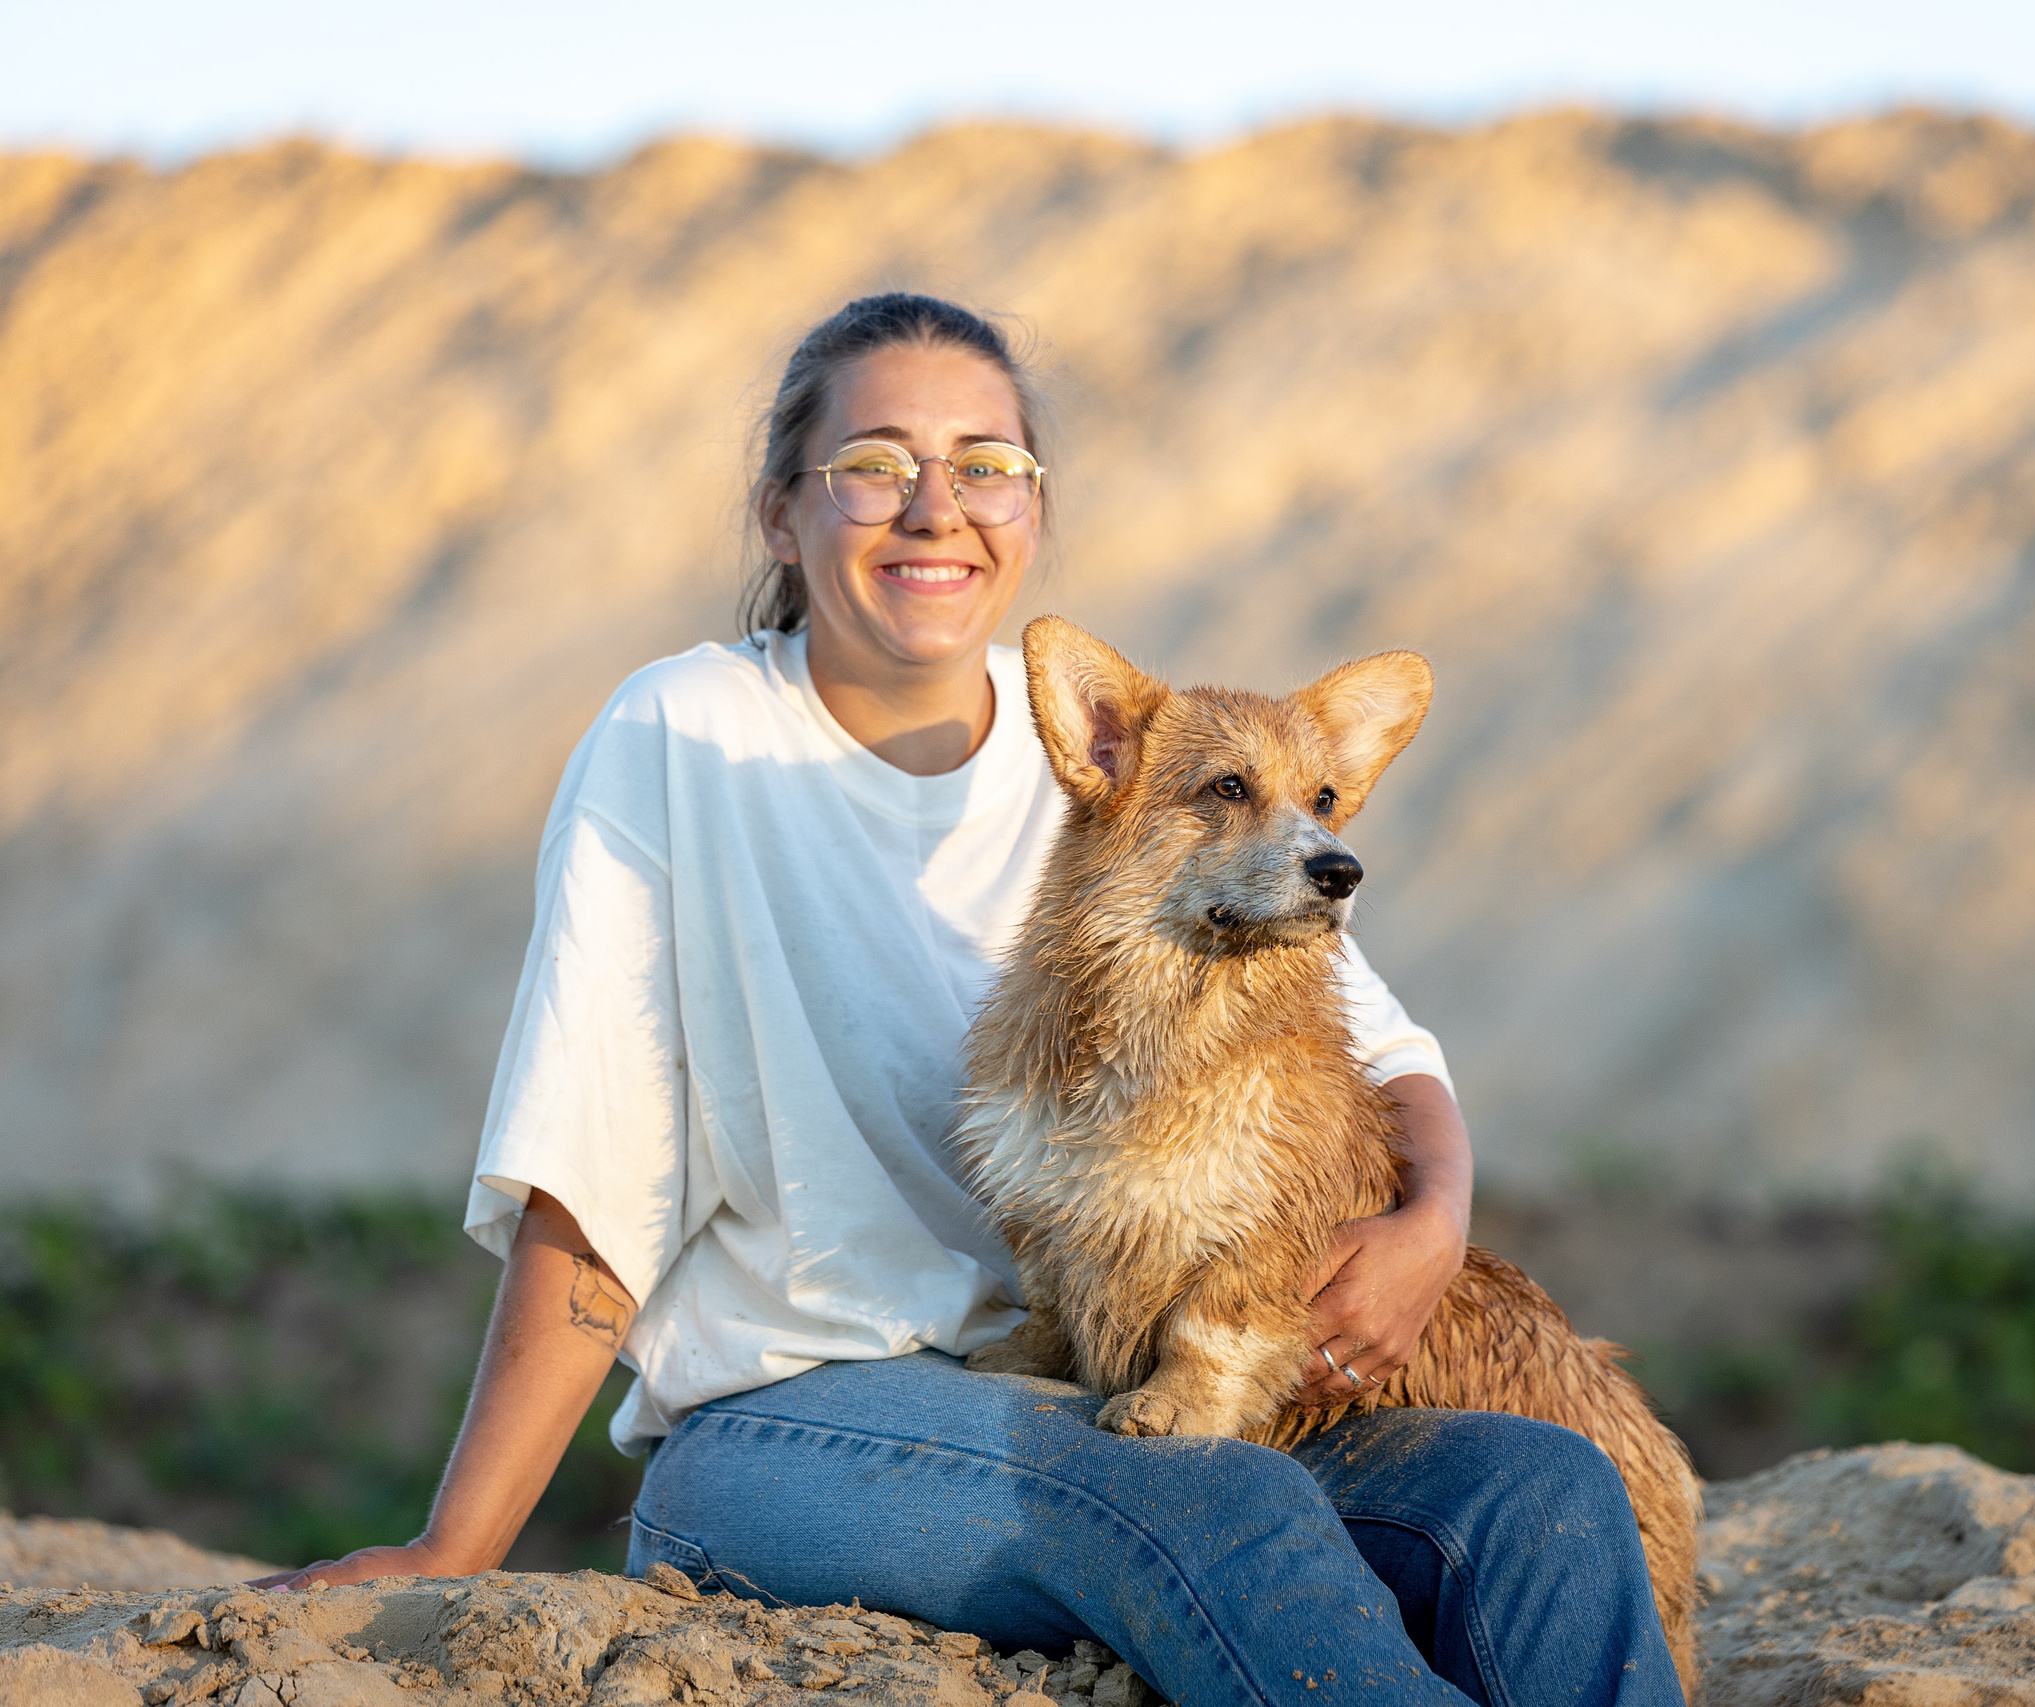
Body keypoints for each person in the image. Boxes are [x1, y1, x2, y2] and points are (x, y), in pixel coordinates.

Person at [255, 293, 1684, 1706]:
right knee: (1206, 1498)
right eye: (874, 464)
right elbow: (593, 1176)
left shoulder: (1135, 755)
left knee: (1540, 1488)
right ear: (780, 513)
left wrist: (1435, 1225)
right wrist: (456, 1546)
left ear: (1032, 510)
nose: (936, 505)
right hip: (793, 1423)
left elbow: (1382, 1046)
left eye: (985, 465)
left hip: (1072, 1375)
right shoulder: (686, 733)